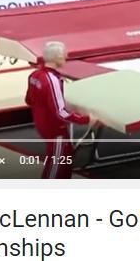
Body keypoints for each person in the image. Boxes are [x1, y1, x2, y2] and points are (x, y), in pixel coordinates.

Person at [25, 42, 91, 179]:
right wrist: (86, 120)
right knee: (57, 166)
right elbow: (61, 112)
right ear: (57, 58)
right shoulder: (52, 80)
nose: (67, 56)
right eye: (64, 55)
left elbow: (29, 100)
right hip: (55, 130)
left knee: (65, 161)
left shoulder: (34, 75)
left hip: (42, 125)